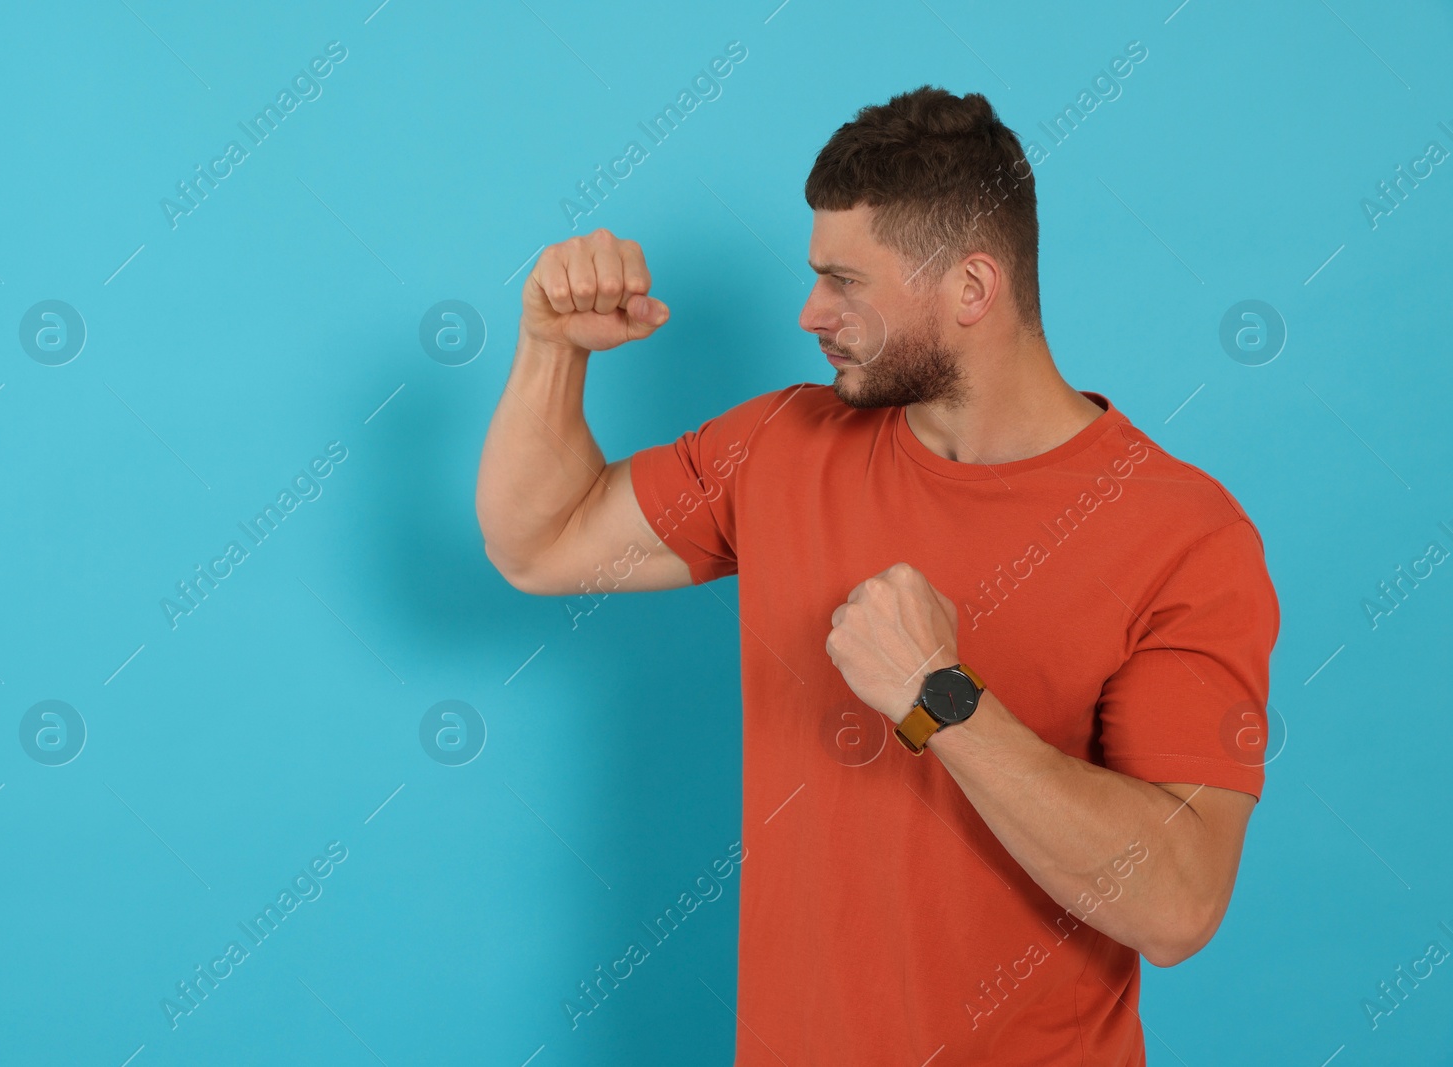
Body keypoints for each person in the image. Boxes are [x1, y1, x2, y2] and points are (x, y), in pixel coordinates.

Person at [475, 85, 1280, 1065]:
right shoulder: (781, 444)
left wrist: (938, 696)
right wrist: (550, 348)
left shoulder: (1183, 533)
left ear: (972, 289)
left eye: (845, 281)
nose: (810, 311)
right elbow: (540, 540)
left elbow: (1176, 902)